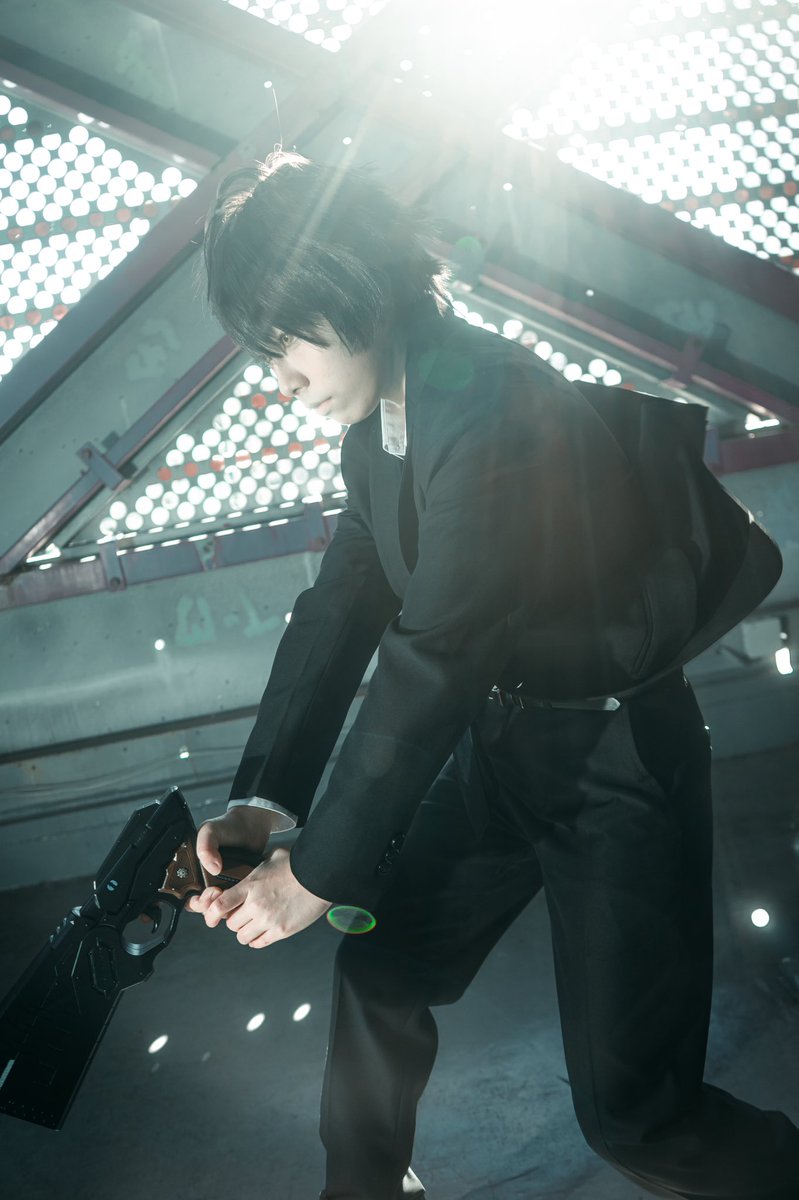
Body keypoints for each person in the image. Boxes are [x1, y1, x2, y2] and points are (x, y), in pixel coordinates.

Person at [186, 150, 799, 1199]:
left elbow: (434, 655)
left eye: (286, 338)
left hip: (615, 766)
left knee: (636, 1120)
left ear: (354, 287)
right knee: (379, 967)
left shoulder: (494, 402)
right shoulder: (384, 415)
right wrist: (263, 801)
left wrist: (315, 875)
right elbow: (342, 604)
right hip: (504, 746)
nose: (277, 378)